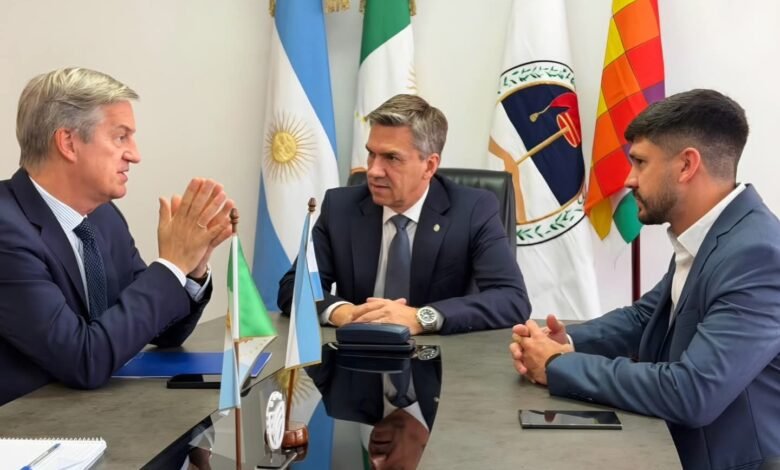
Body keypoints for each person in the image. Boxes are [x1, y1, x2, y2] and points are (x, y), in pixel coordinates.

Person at [509, 89, 780, 468]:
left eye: (640, 162)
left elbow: (693, 392)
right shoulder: (714, 233)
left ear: (686, 166)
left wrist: (557, 365)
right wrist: (566, 342)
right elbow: (646, 317)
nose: (629, 179)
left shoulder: (757, 254)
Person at [0, 68, 233, 406]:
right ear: (68, 143)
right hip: (31, 430)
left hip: (107, 419)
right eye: (121, 137)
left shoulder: (104, 216)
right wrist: (171, 266)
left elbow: (160, 330)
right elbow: (82, 359)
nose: (135, 154)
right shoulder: (6, 229)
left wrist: (191, 269)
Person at [278, 94, 530, 334]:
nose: (374, 171)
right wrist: (345, 313)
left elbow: (511, 298)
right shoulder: (341, 207)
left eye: (391, 158)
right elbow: (294, 287)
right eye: (371, 154)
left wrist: (422, 317)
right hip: (358, 352)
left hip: (443, 357)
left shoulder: (473, 210)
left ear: (429, 166)